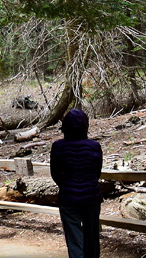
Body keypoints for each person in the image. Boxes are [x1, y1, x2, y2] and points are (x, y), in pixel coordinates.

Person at [50, 109, 102, 258]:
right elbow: (96, 172)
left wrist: (66, 185)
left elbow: (55, 173)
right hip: (91, 196)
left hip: (68, 198)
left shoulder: (58, 146)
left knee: (74, 239)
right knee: (92, 237)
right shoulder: (94, 146)